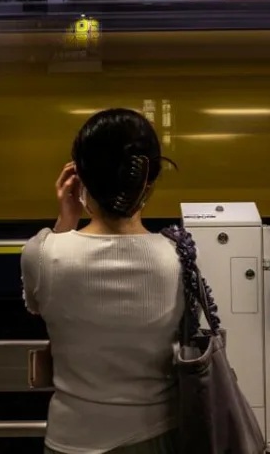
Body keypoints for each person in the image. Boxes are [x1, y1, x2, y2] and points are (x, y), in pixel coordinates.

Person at [21, 108, 183, 454]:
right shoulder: (179, 258)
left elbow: (37, 303)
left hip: (71, 438)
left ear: (78, 178)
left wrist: (66, 220)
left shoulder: (42, 253)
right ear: (148, 181)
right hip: (156, 435)